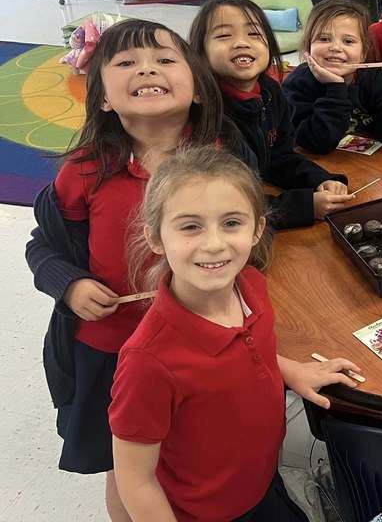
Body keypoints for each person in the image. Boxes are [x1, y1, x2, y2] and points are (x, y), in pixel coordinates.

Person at [25, 19, 243, 521]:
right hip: (112, 351)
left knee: (194, 447)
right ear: (102, 97)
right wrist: (70, 284)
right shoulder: (83, 169)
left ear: (196, 87)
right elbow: (44, 247)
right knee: (126, 468)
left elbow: (249, 237)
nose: (147, 67)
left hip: (201, 341)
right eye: (125, 63)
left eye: (166, 60)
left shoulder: (220, 158)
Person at [109, 145, 363, 521]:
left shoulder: (252, 285)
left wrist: (289, 370)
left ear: (258, 228)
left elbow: (246, 351)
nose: (214, 243)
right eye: (190, 226)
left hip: (262, 483)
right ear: (156, 238)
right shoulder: (148, 362)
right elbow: (135, 480)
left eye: (231, 223)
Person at [190, 0, 351, 227]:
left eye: (254, 34)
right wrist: (305, 206)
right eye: (224, 35)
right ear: (201, 53)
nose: (241, 43)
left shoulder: (271, 93)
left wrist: (320, 180)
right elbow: (224, 205)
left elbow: (279, 158)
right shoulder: (207, 114)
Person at [283, 0, 382, 153]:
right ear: (308, 47)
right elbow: (317, 144)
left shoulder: (374, 78)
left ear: (363, 53)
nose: (335, 47)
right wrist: (335, 87)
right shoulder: (298, 83)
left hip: (368, 168)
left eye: (348, 41)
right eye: (324, 39)